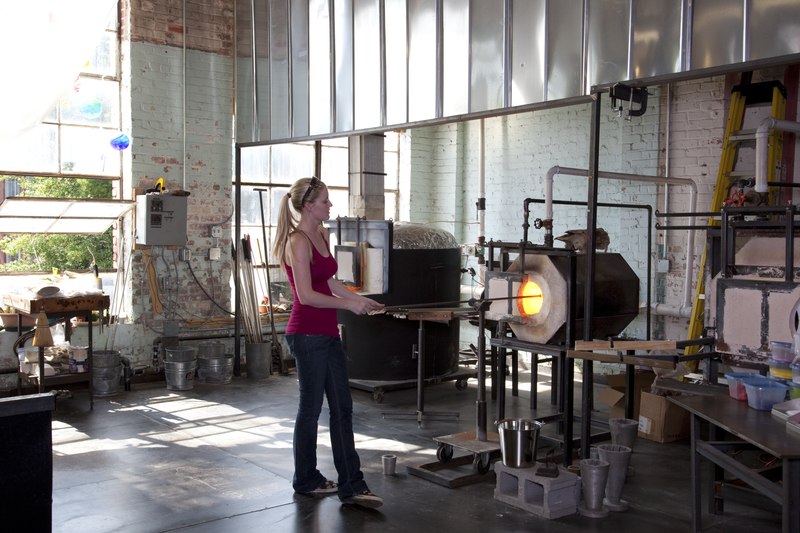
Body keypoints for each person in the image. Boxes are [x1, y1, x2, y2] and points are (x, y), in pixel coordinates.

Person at [272, 176, 385, 509]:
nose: (330, 205)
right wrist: (349, 306)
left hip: (326, 334)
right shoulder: (298, 241)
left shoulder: (322, 233)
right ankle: (306, 479)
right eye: (325, 201)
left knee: (343, 409)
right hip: (306, 335)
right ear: (309, 206)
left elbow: (331, 282)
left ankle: (352, 485)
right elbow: (306, 296)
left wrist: (362, 299)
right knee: (310, 410)